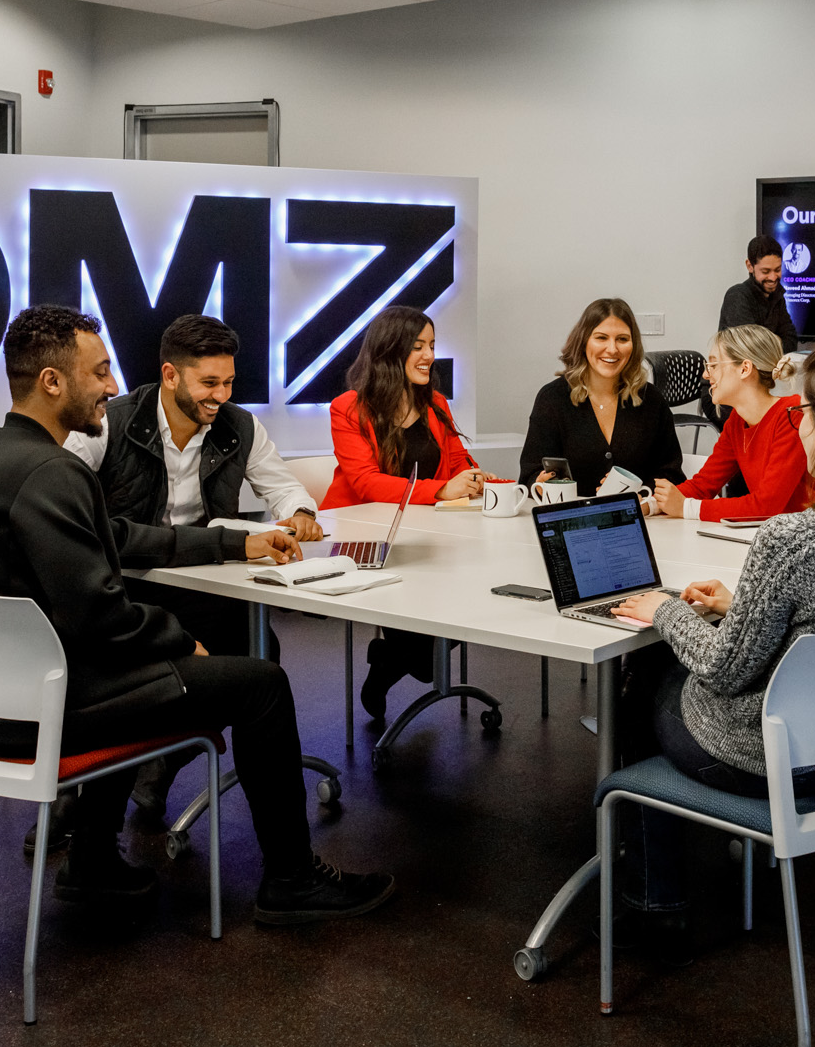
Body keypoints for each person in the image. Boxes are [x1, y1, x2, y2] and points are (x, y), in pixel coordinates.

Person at [0, 306, 395, 924]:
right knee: (259, 683)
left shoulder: (3, 455)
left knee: (194, 660)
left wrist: (229, 547)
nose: (111, 385)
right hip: (30, 710)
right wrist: (181, 644)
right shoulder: (54, 471)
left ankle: (93, 861)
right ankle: (292, 880)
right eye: (98, 372)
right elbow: (101, 615)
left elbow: (117, 551)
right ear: (51, 382)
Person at [607, 329, 815, 933]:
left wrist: (664, 610)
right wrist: (744, 605)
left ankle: (655, 894)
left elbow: (725, 670)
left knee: (648, 676)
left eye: (806, 410)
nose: (798, 422)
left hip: (768, 758)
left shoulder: (792, 541)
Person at [63, 312, 324, 822]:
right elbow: (75, 517)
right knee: (175, 662)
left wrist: (301, 511)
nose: (221, 395)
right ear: (170, 375)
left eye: (228, 382)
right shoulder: (107, 423)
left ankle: (167, 756)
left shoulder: (239, 425)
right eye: (209, 383)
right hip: (125, 584)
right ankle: (79, 791)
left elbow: (283, 485)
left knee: (257, 651)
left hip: (199, 582)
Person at [321, 304, 485, 718]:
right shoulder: (348, 408)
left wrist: (479, 479)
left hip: (432, 537)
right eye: (418, 346)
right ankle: (391, 656)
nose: (429, 355)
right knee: (428, 662)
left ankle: (388, 655)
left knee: (475, 600)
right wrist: (441, 490)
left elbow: (459, 462)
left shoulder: (436, 405)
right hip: (364, 540)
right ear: (390, 350)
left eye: (432, 345)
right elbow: (366, 483)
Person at [519, 297, 685, 496]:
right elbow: (529, 476)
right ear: (583, 342)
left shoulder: (651, 399)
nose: (612, 349)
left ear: (633, 346)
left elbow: (672, 474)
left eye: (622, 339)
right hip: (573, 518)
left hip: (638, 520)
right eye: (601, 338)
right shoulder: (553, 398)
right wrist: (539, 485)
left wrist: (639, 497)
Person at [651, 325, 814, 522]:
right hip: (774, 535)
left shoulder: (793, 414)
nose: (705, 375)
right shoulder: (737, 421)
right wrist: (649, 505)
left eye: (713, 365)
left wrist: (686, 508)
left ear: (744, 369)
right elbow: (703, 485)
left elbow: (766, 506)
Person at [718, 234, 799, 353]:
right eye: (765, 271)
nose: (773, 277)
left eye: (777, 270)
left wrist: (766, 341)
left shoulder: (778, 296)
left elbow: (791, 341)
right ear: (750, 266)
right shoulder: (737, 296)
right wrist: (776, 339)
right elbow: (753, 350)